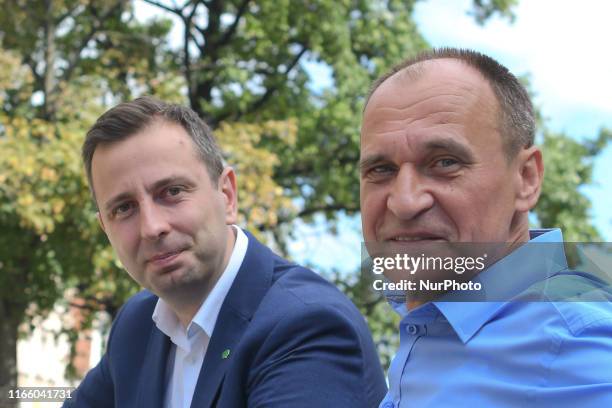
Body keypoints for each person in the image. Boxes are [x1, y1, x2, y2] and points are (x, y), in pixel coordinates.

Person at [65, 96, 386, 408]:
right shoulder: (136, 326)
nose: (151, 227)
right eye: (124, 208)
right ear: (105, 230)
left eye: (172, 192)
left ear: (227, 196)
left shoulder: (307, 325)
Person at [359, 48, 612, 407]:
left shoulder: (580, 345)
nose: (404, 200)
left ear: (526, 178)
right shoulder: (434, 328)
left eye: (445, 162)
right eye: (381, 170)